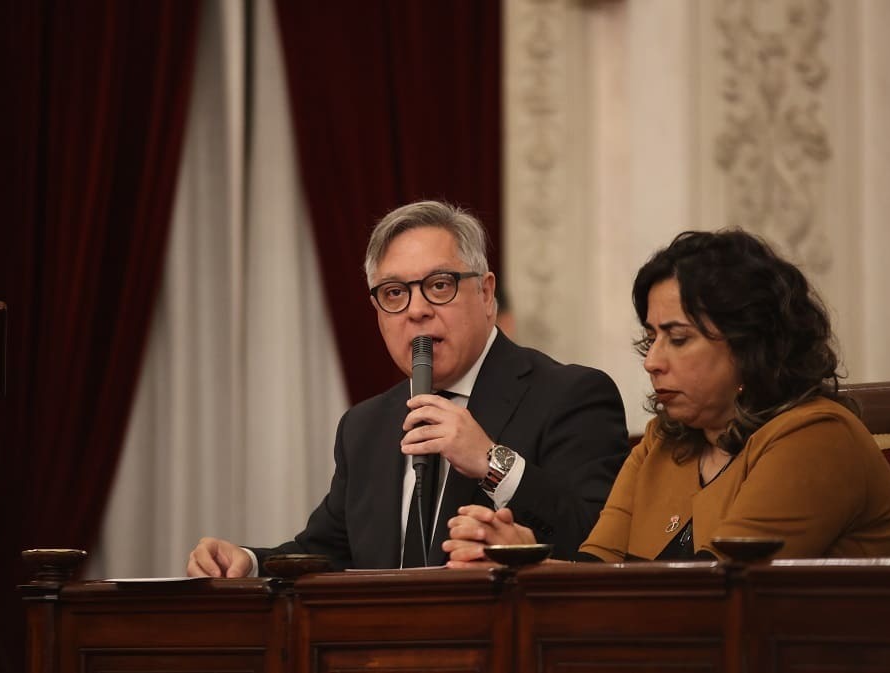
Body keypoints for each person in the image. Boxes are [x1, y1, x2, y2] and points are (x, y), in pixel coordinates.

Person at [186, 200, 629, 576]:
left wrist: (491, 461)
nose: (416, 310)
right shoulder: (365, 425)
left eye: (439, 286)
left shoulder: (572, 395)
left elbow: (599, 542)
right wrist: (248, 561)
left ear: (487, 293)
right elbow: (328, 551)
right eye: (395, 293)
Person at [445, 229, 890, 563]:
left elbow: (714, 598)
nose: (652, 360)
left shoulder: (816, 437)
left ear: (750, 346)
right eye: (652, 337)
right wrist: (522, 554)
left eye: (678, 337)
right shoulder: (661, 444)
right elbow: (594, 579)